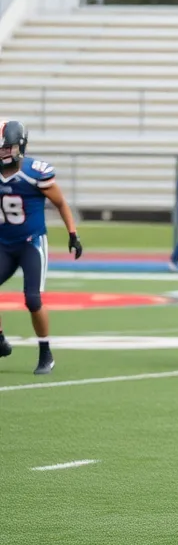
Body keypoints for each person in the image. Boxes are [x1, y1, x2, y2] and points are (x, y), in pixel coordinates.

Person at [0, 120, 83, 375]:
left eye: (8, 148)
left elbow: (61, 203)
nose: (4, 153)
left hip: (31, 242)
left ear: (20, 146)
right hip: (3, 243)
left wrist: (73, 234)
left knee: (33, 299)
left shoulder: (34, 172)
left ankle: (45, 352)